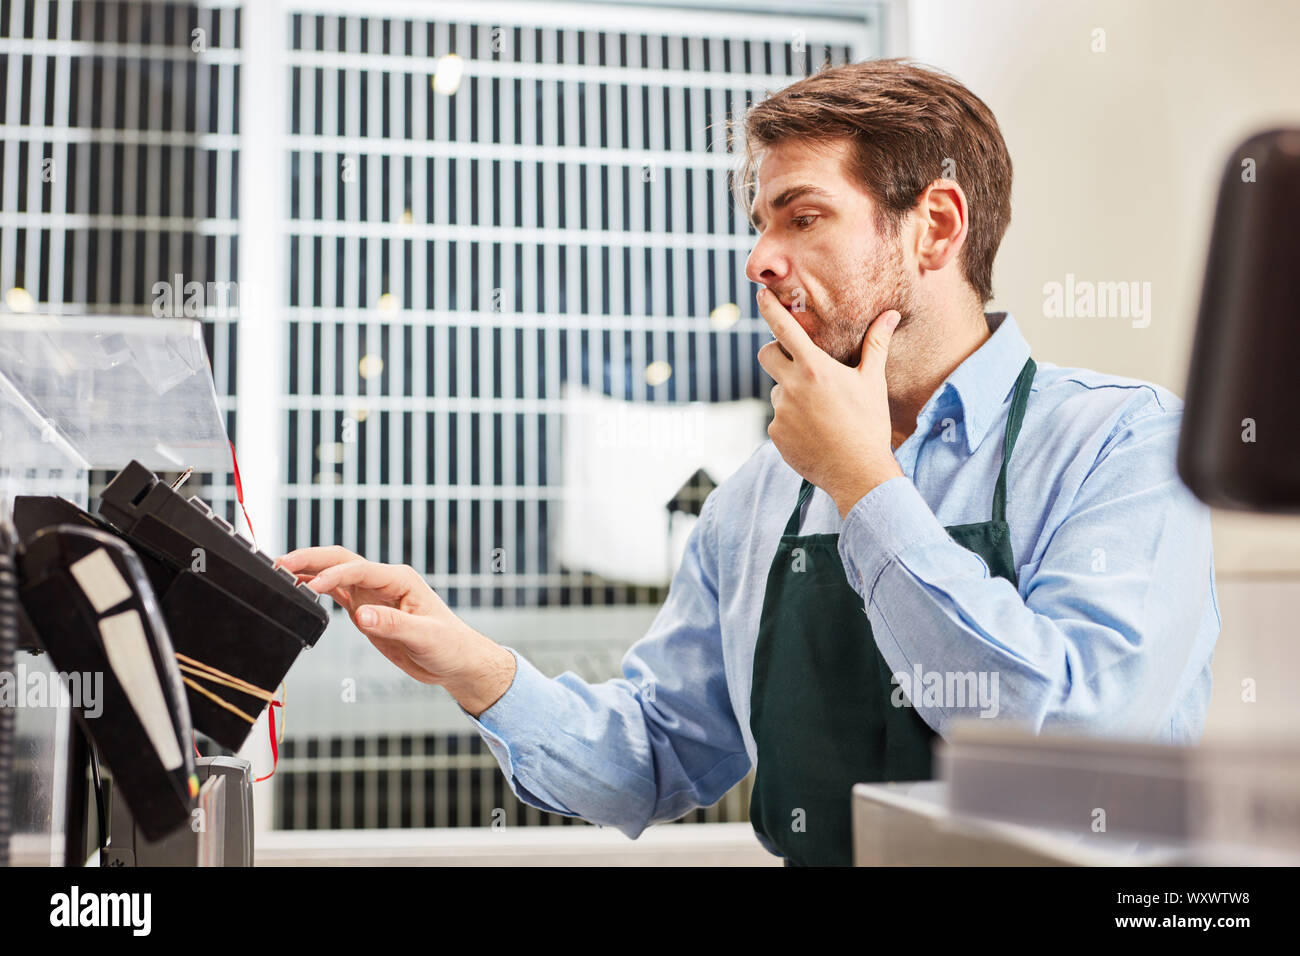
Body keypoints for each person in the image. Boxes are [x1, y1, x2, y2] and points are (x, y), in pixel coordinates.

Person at [277, 58, 1220, 867]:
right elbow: (653, 759)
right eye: (760, 222)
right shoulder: (758, 499)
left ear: (935, 227)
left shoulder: (1125, 448)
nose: (759, 259)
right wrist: (474, 668)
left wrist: (865, 486)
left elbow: (1077, 753)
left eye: (802, 218)